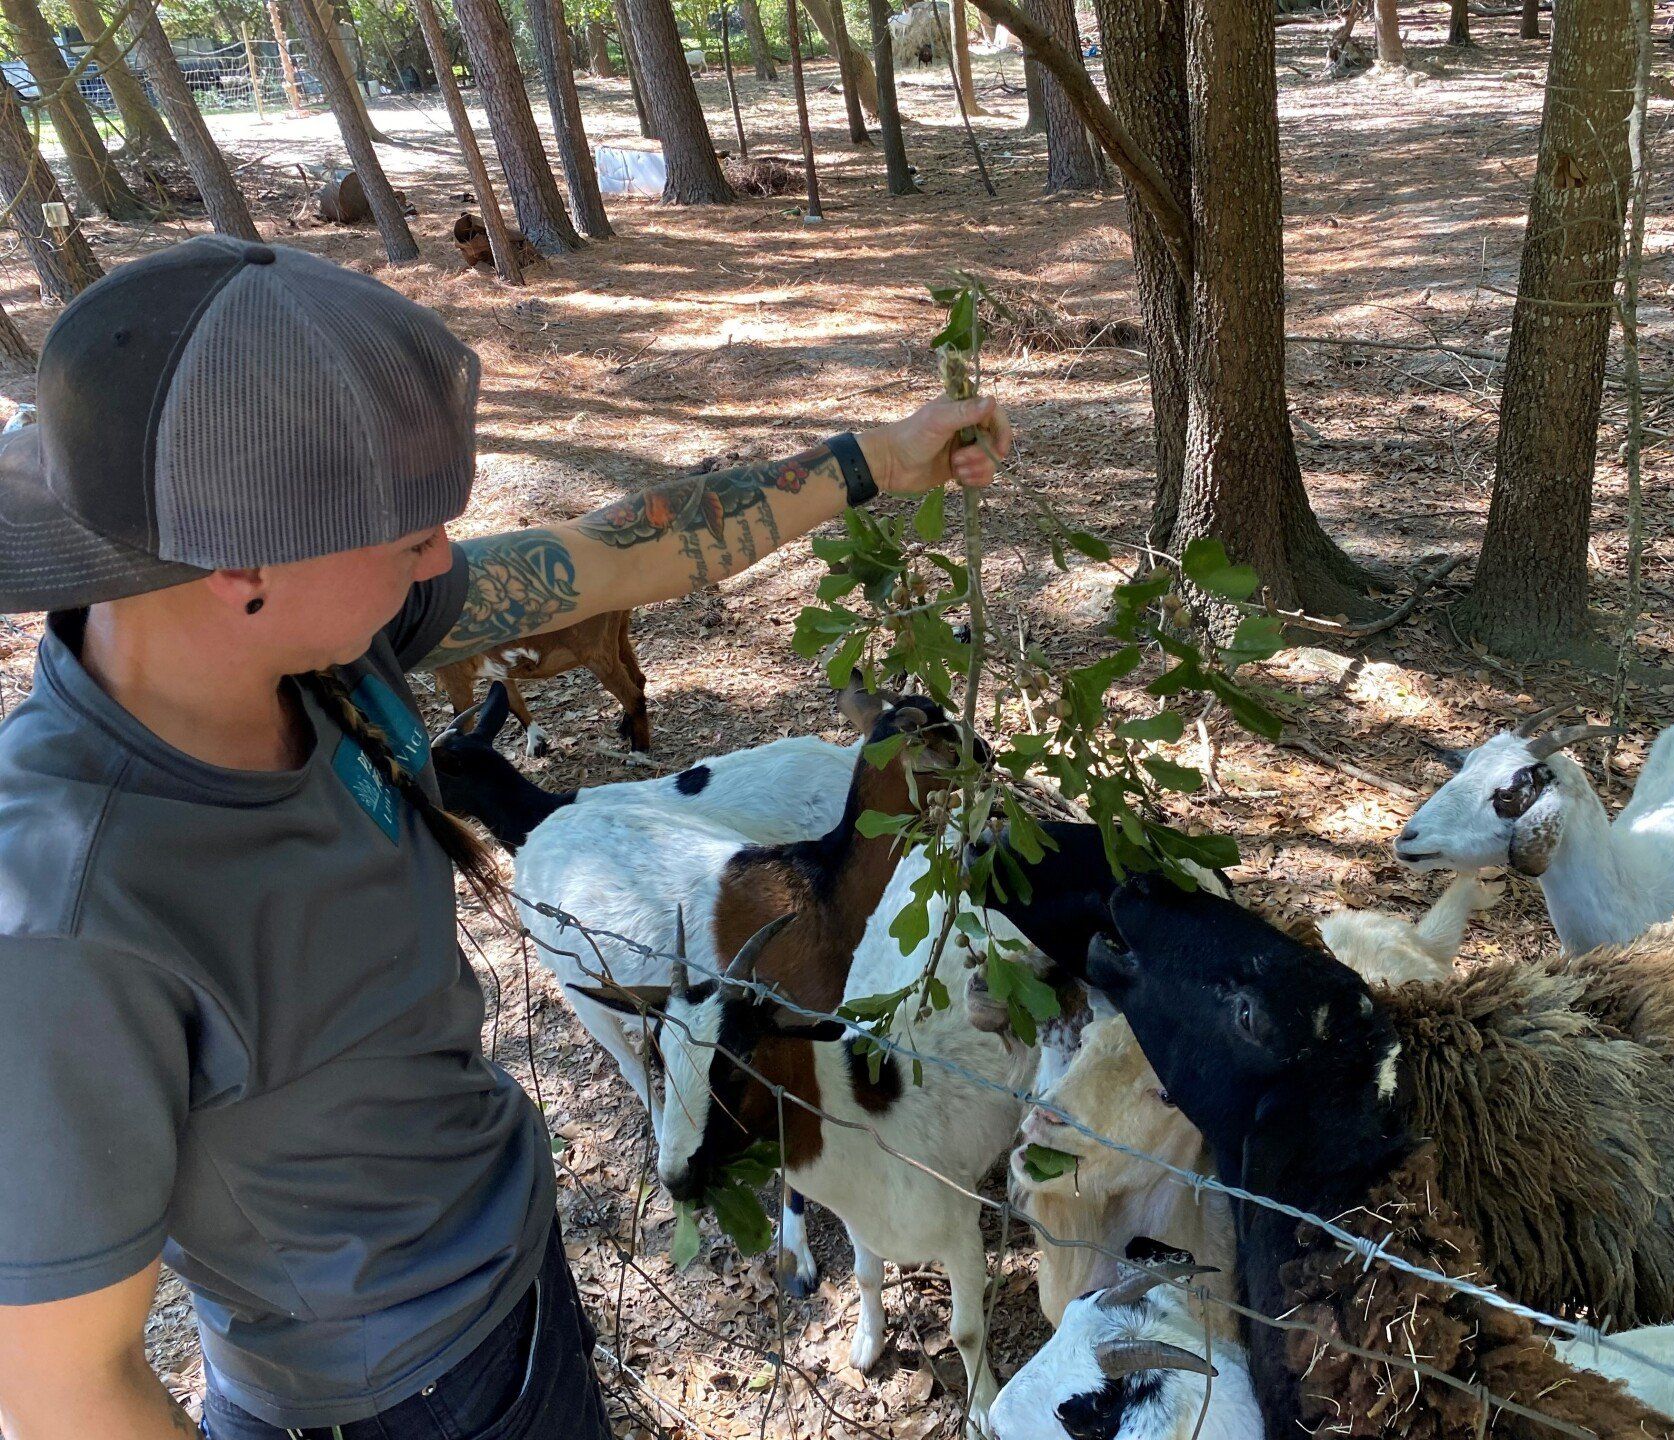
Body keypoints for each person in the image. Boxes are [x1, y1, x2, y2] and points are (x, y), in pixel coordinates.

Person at [0, 235, 1008, 1440]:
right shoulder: (68, 915)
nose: (442, 556)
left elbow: (605, 556)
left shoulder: (314, 642)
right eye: (409, 530)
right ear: (240, 560)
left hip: (510, 1290)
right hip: (397, 1403)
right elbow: (62, 1384)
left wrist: (877, 460)